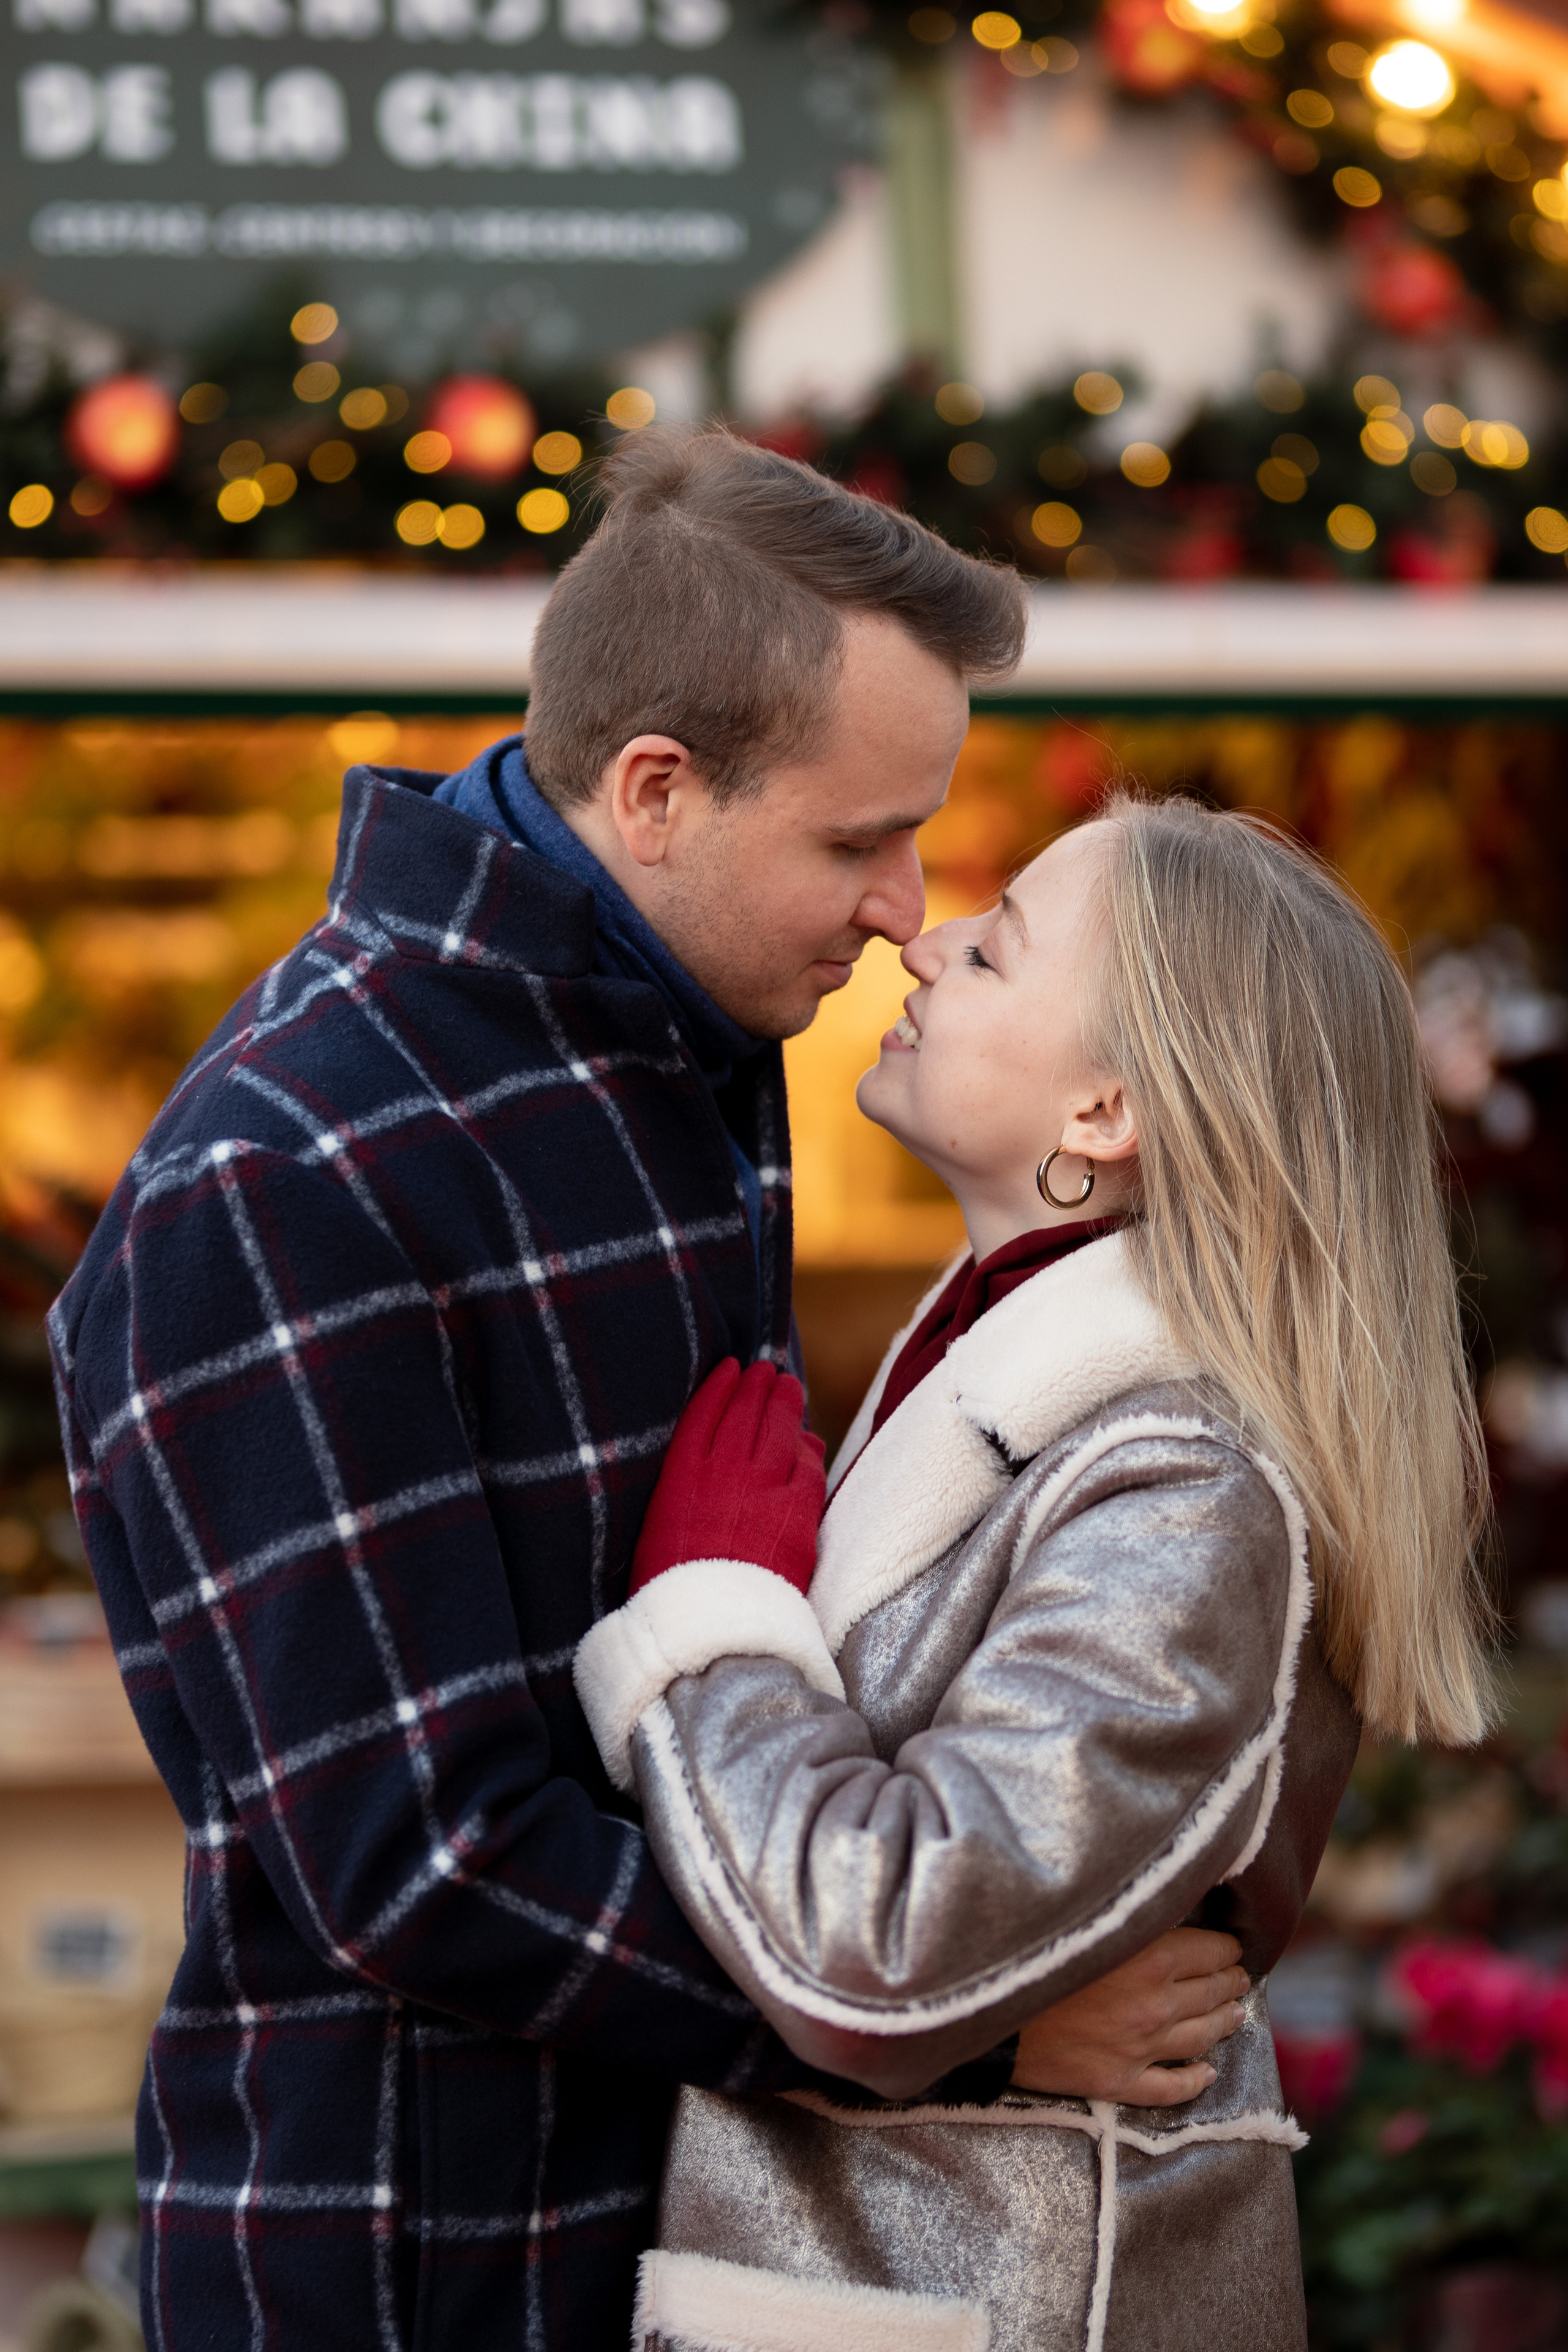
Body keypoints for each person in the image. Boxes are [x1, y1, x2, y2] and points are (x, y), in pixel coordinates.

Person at [47, 434, 1249, 2352]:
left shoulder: (685, 1031)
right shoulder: (288, 1177)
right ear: (659, 791)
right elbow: (424, 1859)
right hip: (419, 2265)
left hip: (702, 2232)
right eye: (856, 842)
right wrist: (960, 2029)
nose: (902, 908)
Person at [575, 791, 1499, 2352]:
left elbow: (888, 1949)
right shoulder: (1016, 1395)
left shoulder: (1186, 1491)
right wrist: (1009, 2035)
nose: (922, 944)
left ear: (1103, 1113)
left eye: (995, 949)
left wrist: (714, 1627)